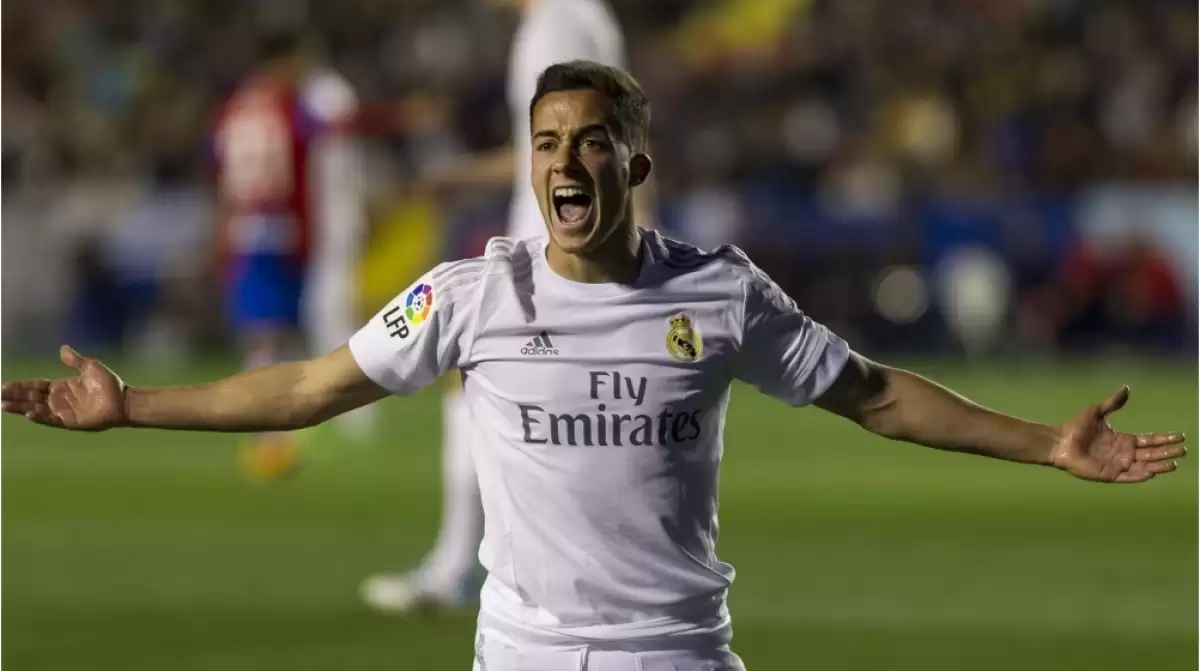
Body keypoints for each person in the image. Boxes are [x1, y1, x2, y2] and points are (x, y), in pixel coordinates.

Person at [3, 61, 1185, 671]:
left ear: (635, 165)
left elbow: (873, 392)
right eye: (546, 143)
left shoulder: (719, 292)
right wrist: (133, 405)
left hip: (675, 651)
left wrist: (1047, 441)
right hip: (520, 653)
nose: (565, 162)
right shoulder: (473, 293)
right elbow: (311, 385)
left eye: (591, 143)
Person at [359, 0, 655, 614]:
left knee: (474, 383)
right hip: (567, 242)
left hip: (550, 246)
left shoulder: (555, 26)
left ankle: (458, 568)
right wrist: (462, 176)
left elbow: (578, 148)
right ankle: (552, 570)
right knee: (548, 408)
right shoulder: (583, 17)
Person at [212, 31, 375, 480]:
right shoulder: (287, 105)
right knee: (276, 336)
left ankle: (272, 430)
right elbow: (328, 131)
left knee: (265, 336)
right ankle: (271, 433)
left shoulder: (233, 108)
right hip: (283, 231)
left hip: (245, 231)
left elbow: (216, 165)